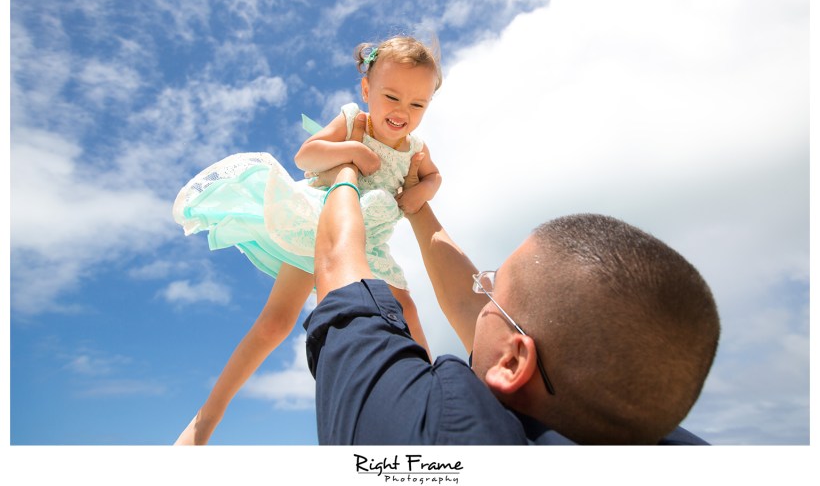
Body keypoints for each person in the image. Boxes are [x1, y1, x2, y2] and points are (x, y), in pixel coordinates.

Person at [306, 153, 721, 444]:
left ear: (513, 361)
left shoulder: (427, 439)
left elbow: (336, 259)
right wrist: (416, 204)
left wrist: (346, 169)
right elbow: (473, 309)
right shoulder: (648, 430)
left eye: (492, 295)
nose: (480, 295)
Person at [171, 35, 443, 445]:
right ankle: (205, 419)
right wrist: (350, 150)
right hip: (321, 225)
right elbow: (306, 156)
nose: (402, 112)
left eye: (417, 104)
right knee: (276, 323)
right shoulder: (355, 122)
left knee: (407, 309)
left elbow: (434, 178)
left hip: (370, 242)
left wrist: (422, 191)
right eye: (391, 96)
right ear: (367, 90)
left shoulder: (415, 149)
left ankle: (432, 399)